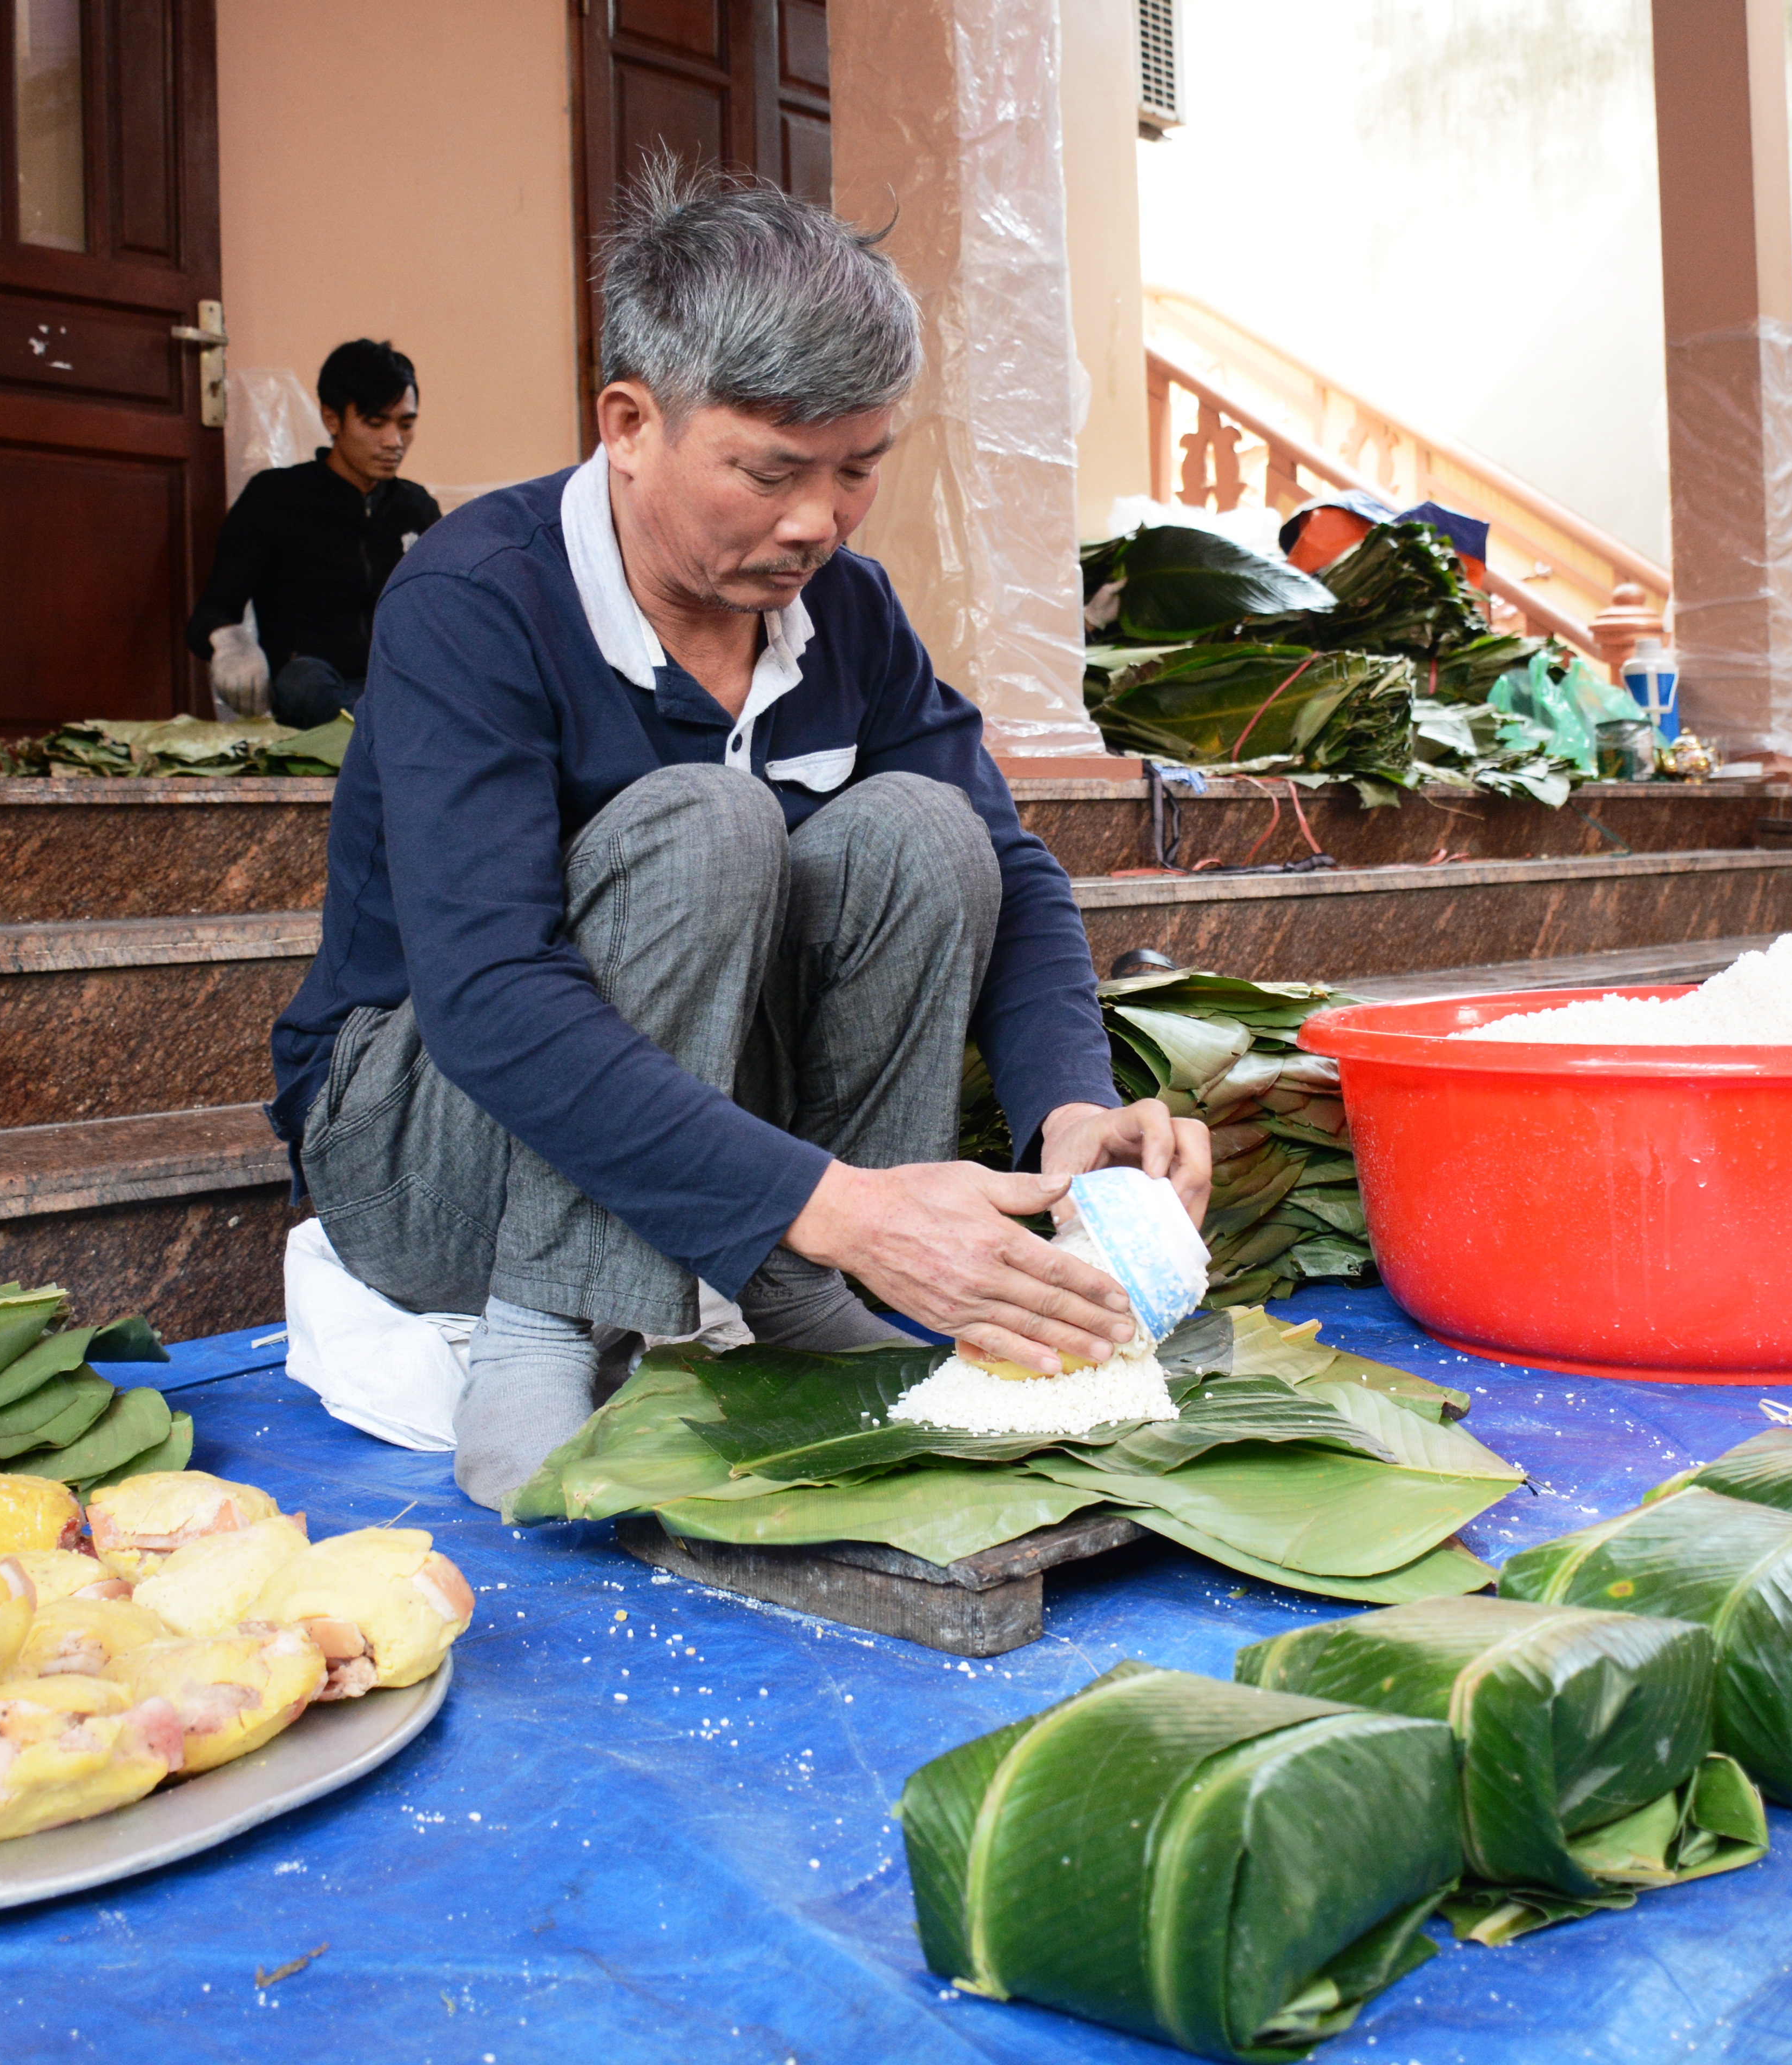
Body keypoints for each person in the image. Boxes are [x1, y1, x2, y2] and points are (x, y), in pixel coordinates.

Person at [268, 165, 1210, 1508]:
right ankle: (550, 1321)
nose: (817, 520)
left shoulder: (848, 613)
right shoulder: (474, 599)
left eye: (857, 469)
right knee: (706, 821)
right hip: (423, 1138)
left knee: (924, 831)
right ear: (630, 423)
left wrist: (1067, 1102)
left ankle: (801, 1295)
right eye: (769, 471)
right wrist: (840, 1201)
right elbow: (484, 995)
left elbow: (1008, 873)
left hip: (702, 1132)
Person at [185, 339, 441, 726]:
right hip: (316, 691)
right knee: (306, 682)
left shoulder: (416, 508)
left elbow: (448, 607)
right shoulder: (275, 498)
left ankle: (380, 734)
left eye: (406, 424)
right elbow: (213, 610)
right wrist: (232, 645)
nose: (394, 442)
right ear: (332, 419)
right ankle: (379, 738)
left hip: (398, 684)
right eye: (375, 424)